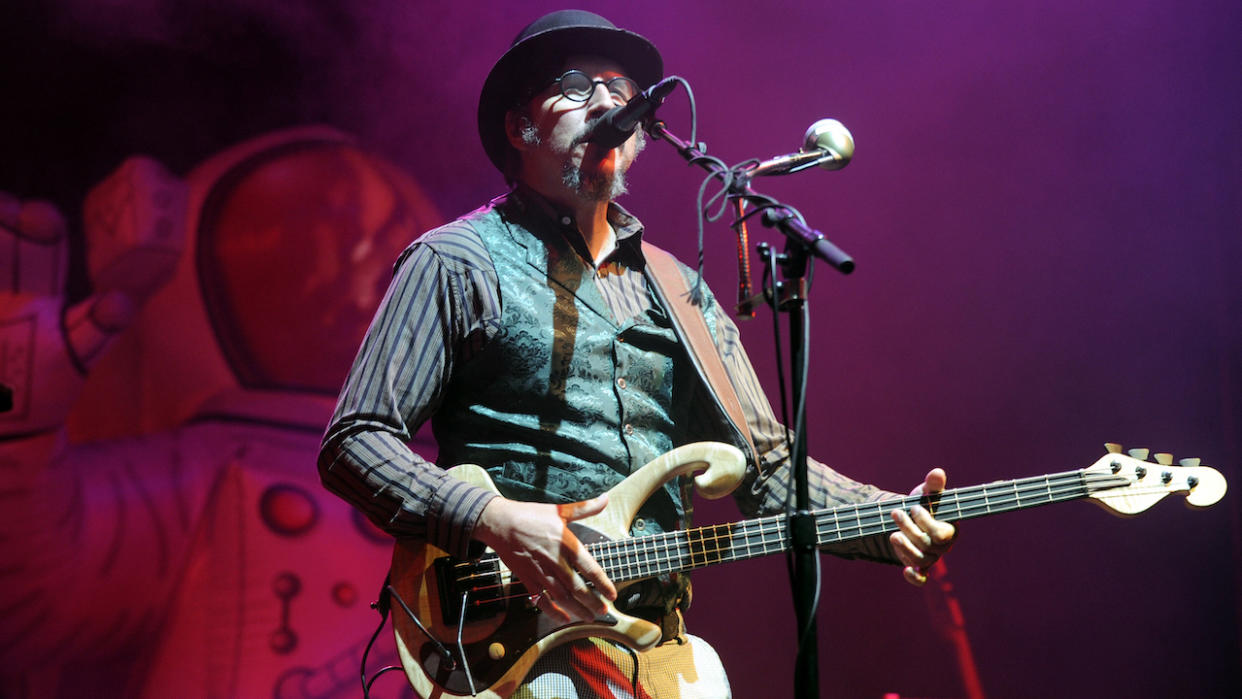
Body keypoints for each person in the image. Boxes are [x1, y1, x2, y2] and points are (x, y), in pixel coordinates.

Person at [318, 9, 956, 698]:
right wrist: (495, 519)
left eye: (621, 90)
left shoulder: (679, 290)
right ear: (518, 128)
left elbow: (767, 469)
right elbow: (355, 441)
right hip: (512, 648)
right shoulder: (456, 261)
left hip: (657, 653)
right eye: (573, 85)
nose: (605, 101)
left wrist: (887, 518)